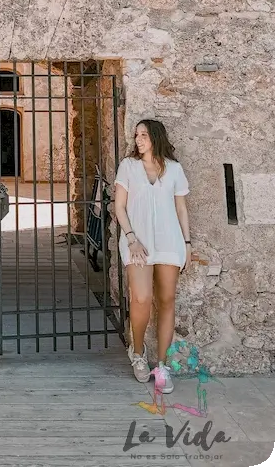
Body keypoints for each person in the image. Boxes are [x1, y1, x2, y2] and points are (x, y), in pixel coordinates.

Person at [114, 119, 191, 393]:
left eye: (144, 135)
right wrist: (131, 238)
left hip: (170, 242)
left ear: (156, 137)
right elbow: (119, 207)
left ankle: (162, 365)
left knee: (167, 299)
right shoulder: (129, 167)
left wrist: (187, 243)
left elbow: (181, 208)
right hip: (138, 243)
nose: (138, 139)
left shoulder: (174, 170)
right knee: (142, 297)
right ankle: (137, 353)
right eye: (137, 135)